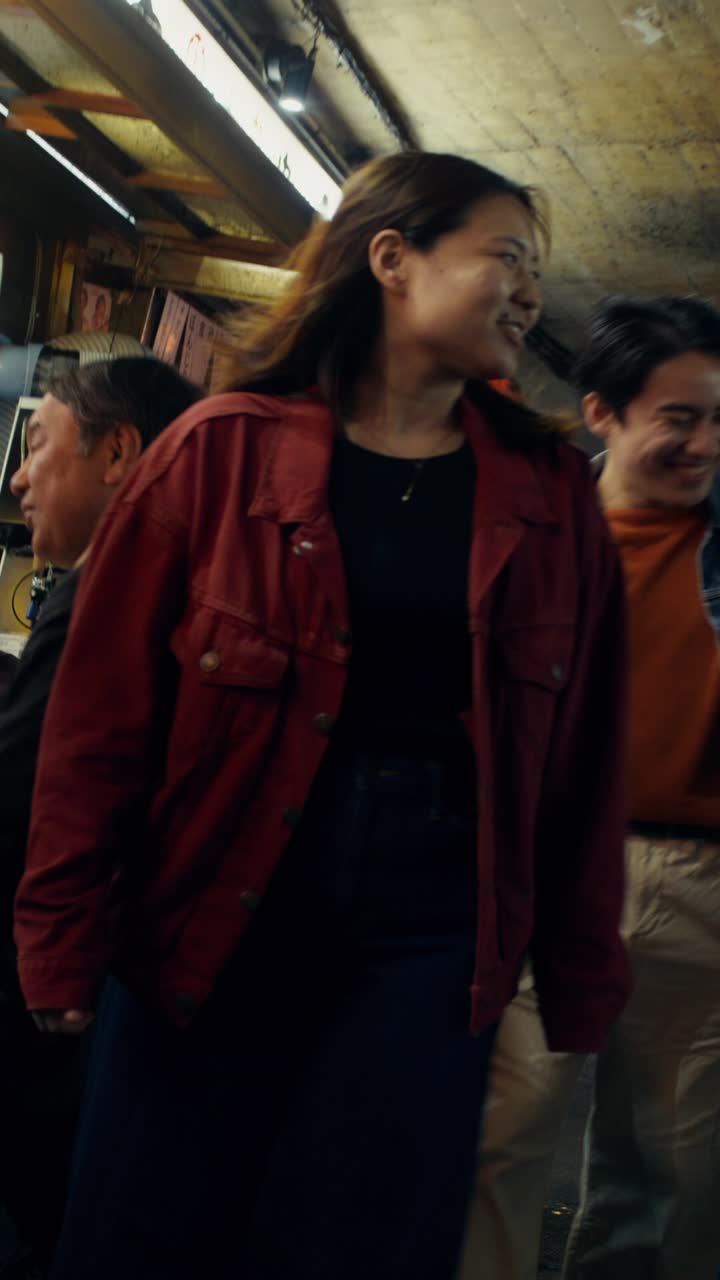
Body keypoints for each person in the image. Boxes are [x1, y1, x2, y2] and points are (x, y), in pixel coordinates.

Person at [14, 151, 628, 1280]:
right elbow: (98, 725)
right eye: (507, 258)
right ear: (393, 259)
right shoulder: (218, 452)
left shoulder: (550, 499)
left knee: (358, 1236)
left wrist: (580, 972)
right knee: (154, 1222)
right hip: (215, 895)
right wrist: (58, 936)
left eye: (535, 270)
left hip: (431, 929)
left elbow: (583, 759)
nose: (531, 294)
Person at [460, 295, 720, 1280]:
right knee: (500, 1136)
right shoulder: (533, 536)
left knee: (675, 1176)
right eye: (680, 418)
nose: (705, 444)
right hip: (549, 867)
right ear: (602, 411)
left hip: (703, 884)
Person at [0, 356, 201, 1273]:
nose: (18, 477)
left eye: (38, 444)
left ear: (118, 455)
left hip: (59, 1013)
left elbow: (20, 798)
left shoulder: (103, 607)